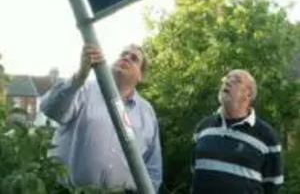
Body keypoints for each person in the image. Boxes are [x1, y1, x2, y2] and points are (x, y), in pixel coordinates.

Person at [40, 43, 162, 193]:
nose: (126, 58)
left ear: (140, 76)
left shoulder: (146, 112)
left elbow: (153, 167)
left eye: (134, 58)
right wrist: (79, 77)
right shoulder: (84, 89)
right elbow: (49, 108)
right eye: (123, 54)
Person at [191, 69, 283, 194]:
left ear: (248, 94)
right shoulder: (203, 127)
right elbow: (194, 169)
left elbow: (273, 184)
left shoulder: (267, 136)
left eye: (235, 80)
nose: (227, 82)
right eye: (226, 79)